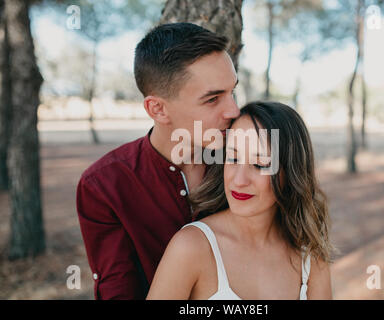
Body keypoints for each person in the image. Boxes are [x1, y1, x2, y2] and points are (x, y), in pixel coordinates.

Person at [76, 22, 240, 299]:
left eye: (232, 91)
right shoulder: (104, 186)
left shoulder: (251, 163)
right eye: (213, 99)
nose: (234, 110)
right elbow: (119, 292)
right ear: (158, 109)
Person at [147, 101, 334, 300]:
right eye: (233, 159)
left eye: (259, 164)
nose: (239, 180)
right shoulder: (192, 247)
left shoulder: (311, 256)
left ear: (291, 173)